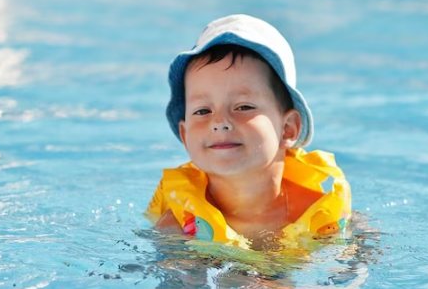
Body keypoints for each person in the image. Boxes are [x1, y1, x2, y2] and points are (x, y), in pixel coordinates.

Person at [146, 14, 351, 252]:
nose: (220, 122)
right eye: (203, 110)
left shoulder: (321, 213)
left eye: (243, 107)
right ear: (185, 135)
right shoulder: (179, 229)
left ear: (288, 128)